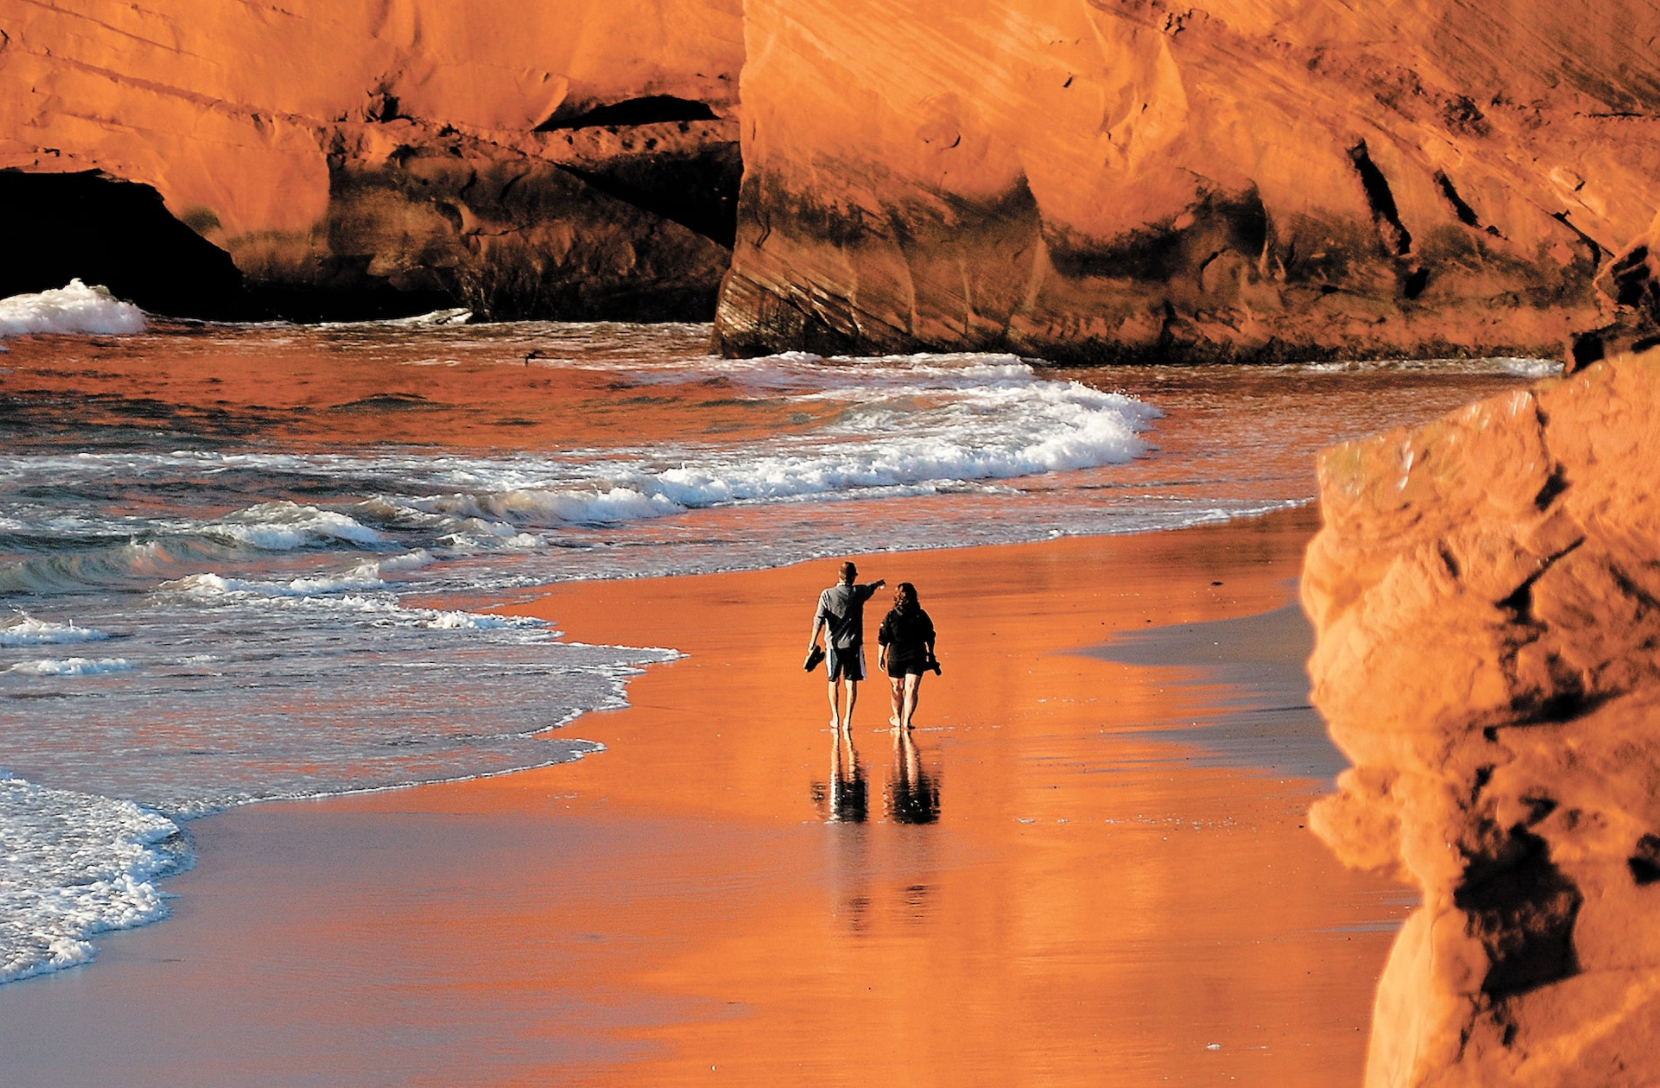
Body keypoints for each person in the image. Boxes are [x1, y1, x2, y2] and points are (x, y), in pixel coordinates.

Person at [807, 560, 884, 730]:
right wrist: (878, 583)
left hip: (833, 646)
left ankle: (835, 717)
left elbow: (818, 620)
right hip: (854, 645)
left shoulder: (827, 594)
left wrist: (812, 642)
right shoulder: (858, 592)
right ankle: (847, 720)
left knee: (833, 680)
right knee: (851, 683)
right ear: (854, 577)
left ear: (839, 575)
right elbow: (869, 587)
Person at [876, 582, 936, 730]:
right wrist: (931, 653)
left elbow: (883, 638)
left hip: (896, 657)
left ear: (896, 598)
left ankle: (897, 717)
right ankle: (906, 721)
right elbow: (930, 635)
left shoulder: (890, 616)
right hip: (916, 655)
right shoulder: (921, 615)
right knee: (911, 689)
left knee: (897, 688)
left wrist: (880, 657)